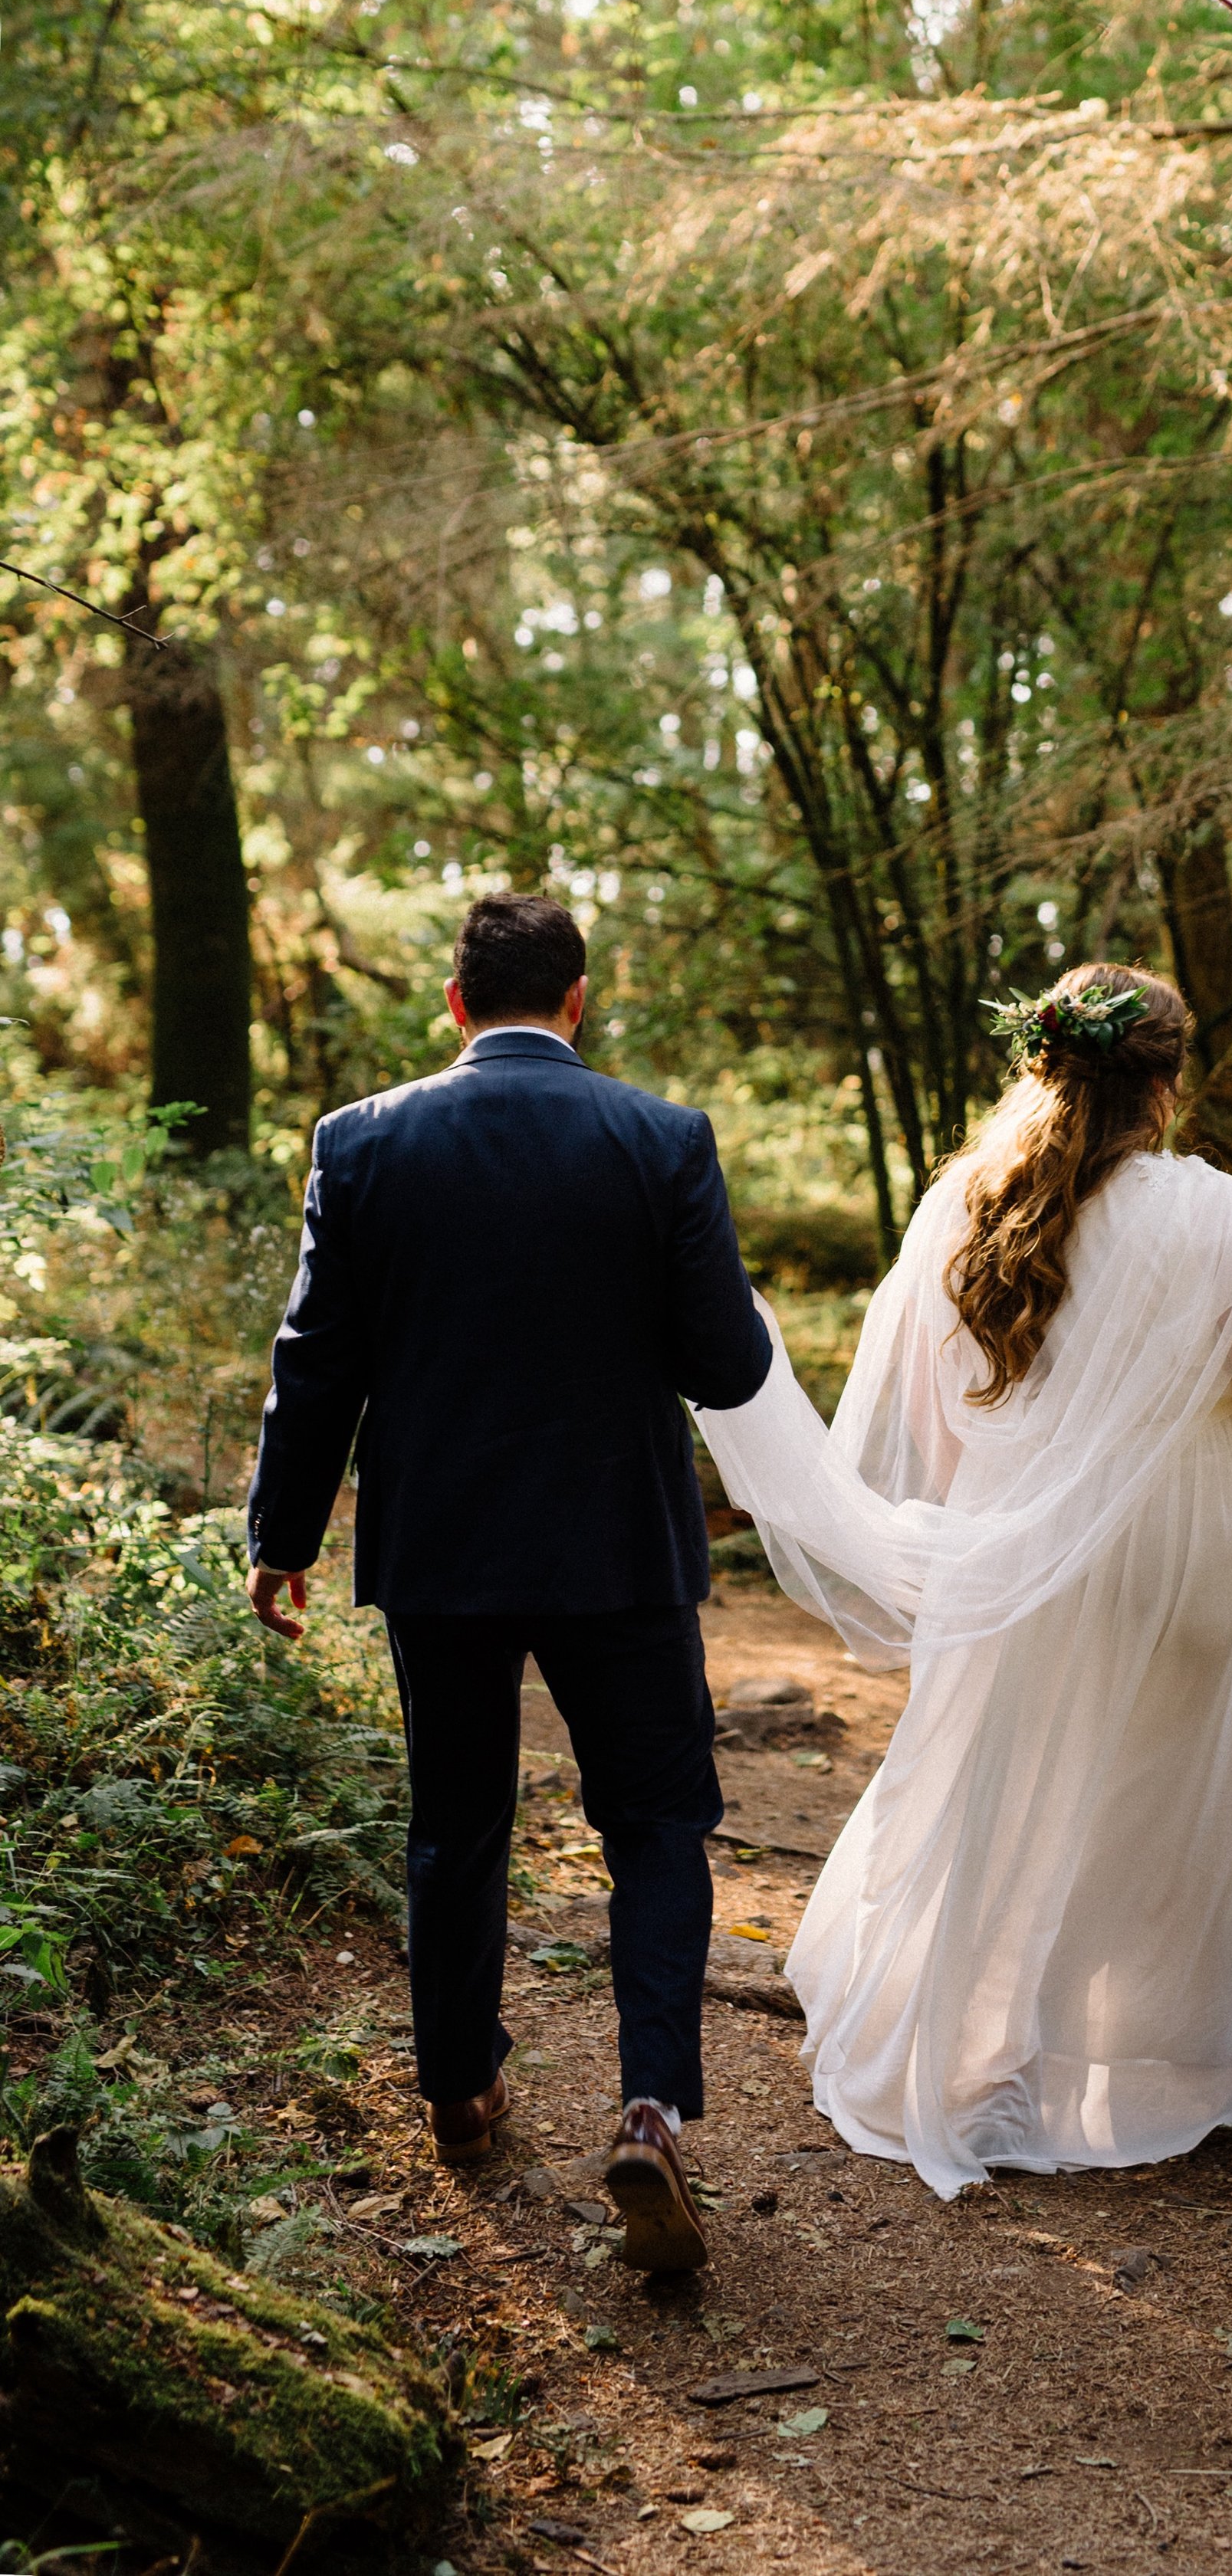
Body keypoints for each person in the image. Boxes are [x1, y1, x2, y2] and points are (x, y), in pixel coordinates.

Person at [695, 963, 1232, 2200]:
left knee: (1021, 1795)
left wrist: (993, 1530)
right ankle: (1163, 2062)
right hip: (1199, 1555)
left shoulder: (970, 1206)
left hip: (1026, 1551)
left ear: (1039, 1064)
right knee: (1171, 1808)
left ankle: (984, 2060)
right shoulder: (1211, 1211)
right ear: (1170, 1079)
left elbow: (934, 1428)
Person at [245, 893, 770, 2270]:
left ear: (457, 999)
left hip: (446, 1549)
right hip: (620, 1554)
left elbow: (319, 1365)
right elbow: (724, 1367)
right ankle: (650, 2110)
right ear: (579, 999)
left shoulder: (361, 1143)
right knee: (657, 1822)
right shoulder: (662, 1140)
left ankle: (461, 2091)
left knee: (458, 1817)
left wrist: (281, 1536)